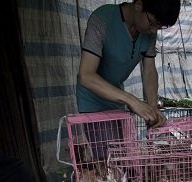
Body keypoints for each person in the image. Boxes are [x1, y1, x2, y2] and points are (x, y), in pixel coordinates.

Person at [77, 0, 180, 158]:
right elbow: (86, 76)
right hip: (93, 100)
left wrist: (152, 108)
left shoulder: (149, 32)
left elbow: (149, 70)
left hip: (116, 99)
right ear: (139, 5)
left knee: (121, 156)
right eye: (152, 23)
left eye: (159, 27)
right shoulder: (102, 20)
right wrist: (132, 101)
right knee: (110, 159)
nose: (154, 31)